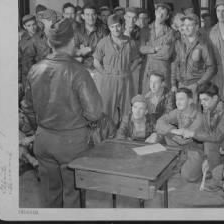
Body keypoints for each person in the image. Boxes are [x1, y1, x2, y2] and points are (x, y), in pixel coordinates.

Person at [21, 18, 104, 208]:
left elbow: (27, 106)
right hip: (71, 143)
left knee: (50, 196)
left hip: (43, 139)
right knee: (74, 196)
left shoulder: (35, 69)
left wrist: (41, 127)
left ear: (50, 42)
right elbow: (95, 112)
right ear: (73, 41)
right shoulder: (78, 71)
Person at [93, 14, 138, 128]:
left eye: (118, 26)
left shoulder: (130, 42)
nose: (115, 29)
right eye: (112, 27)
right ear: (109, 28)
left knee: (127, 109)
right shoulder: (103, 42)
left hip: (126, 79)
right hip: (109, 80)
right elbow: (96, 62)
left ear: (122, 26)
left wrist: (128, 71)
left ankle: (125, 133)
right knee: (107, 108)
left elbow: (136, 60)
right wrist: (105, 74)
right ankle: (106, 133)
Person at [156, 88, 204, 182]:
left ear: (190, 100)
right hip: (181, 147)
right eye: (177, 99)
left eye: (181, 99)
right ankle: (179, 160)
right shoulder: (178, 111)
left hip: (194, 149)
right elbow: (159, 122)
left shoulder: (198, 116)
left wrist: (171, 133)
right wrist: (173, 130)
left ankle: (202, 165)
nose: (178, 102)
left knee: (188, 176)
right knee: (165, 131)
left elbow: (185, 139)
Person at [180, 82, 224, 172]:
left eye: (205, 100)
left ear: (215, 98)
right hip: (211, 147)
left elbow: (217, 136)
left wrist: (193, 133)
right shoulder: (208, 107)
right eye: (201, 100)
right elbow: (205, 130)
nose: (202, 103)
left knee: (208, 143)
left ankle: (215, 173)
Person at [171, 13, 217, 101]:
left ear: (196, 27)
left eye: (189, 25)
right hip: (181, 85)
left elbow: (212, 68)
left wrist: (198, 84)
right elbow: (175, 64)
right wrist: (174, 84)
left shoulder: (203, 45)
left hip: (196, 86)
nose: (186, 28)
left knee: (195, 112)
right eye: (184, 25)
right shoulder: (179, 44)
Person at [139, 2, 176, 94]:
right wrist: (154, 49)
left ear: (167, 17)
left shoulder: (170, 32)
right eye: (159, 12)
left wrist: (149, 53)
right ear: (155, 12)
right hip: (148, 68)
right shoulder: (145, 30)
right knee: (146, 96)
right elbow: (141, 49)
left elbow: (166, 54)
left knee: (162, 97)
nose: (160, 15)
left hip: (162, 68)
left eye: (163, 14)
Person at [74, 4, 108, 69]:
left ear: (96, 16)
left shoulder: (103, 30)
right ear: (83, 16)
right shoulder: (77, 31)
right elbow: (73, 50)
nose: (91, 18)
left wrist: (89, 49)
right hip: (82, 68)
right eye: (87, 15)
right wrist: (79, 52)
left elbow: (106, 49)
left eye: (93, 14)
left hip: (99, 67)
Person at [19, 14, 38, 87]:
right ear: (24, 27)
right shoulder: (22, 42)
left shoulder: (42, 37)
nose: (32, 28)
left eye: (34, 24)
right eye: (29, 26)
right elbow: (19, 62)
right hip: (28, 77)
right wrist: (19, 81)